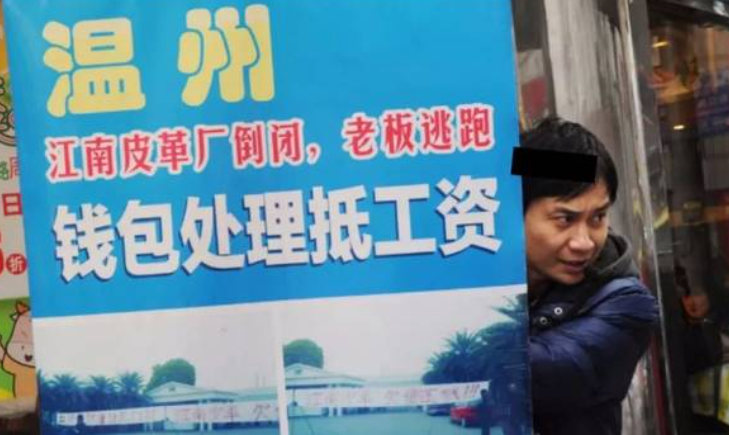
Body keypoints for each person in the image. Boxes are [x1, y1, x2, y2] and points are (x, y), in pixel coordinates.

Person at [521, 118, 659, 435]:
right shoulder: (484, 282)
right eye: (564, 219)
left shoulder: (627, 303)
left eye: (598, 217)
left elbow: (533, 373)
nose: (584, 242)